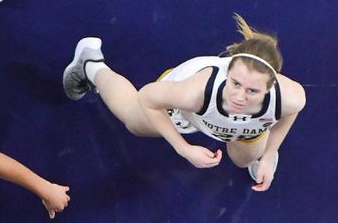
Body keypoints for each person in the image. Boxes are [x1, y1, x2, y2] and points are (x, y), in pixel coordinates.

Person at [63, 14, 306, 191]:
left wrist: (269, 154)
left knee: (244, 159)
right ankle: (90, 64)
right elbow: (147, 98)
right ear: (228, 70)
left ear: (271, 87)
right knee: (133, 121)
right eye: (235, 84)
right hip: (188, 111)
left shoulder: (291, 98)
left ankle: (259, 154)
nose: (239, 97)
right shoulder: (194, 90)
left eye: (252, 91)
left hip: (244, 124)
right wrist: (183, 148)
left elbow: (289, 113)